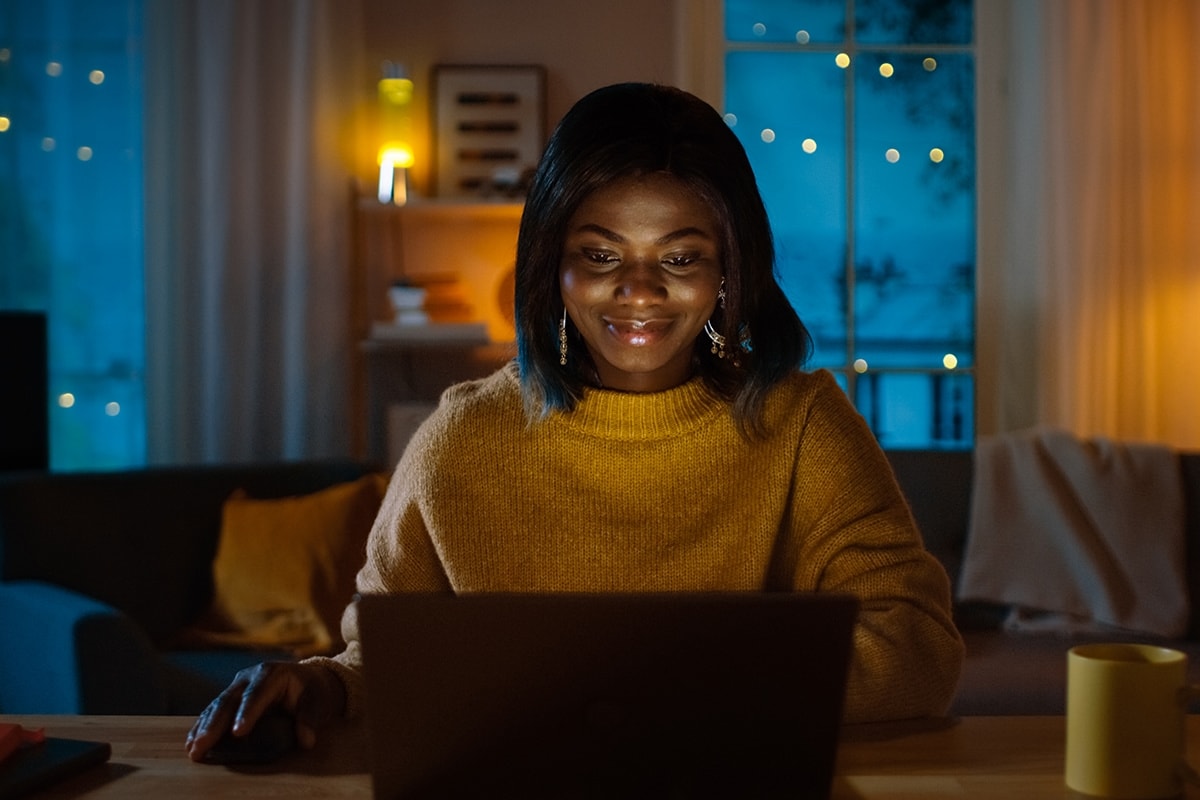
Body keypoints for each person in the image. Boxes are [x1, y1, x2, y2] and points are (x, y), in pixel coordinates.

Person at [186, 82, 964, 762]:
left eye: (682, 259)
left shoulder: (802, 427)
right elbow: (380, 663)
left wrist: (651, 691)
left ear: (731, 271)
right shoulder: (461, 442)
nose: (638, 290)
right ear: (551, 266)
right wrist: (314, 687)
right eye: (599, 256)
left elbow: (921, 650)